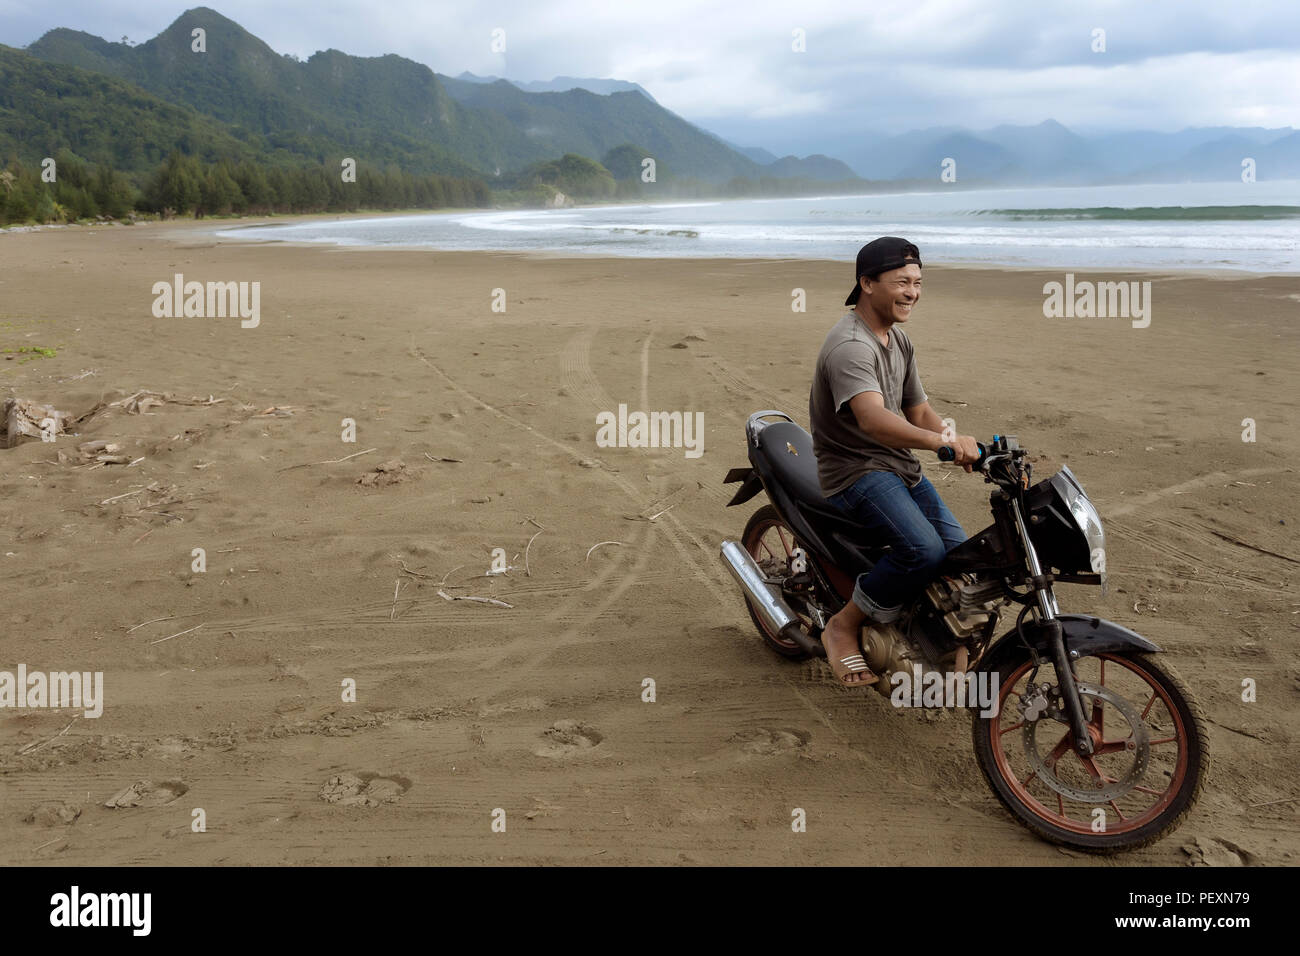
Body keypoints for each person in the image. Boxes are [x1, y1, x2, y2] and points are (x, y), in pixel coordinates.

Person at [807, 237, 980, 685]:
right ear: (867, 283)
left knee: (960, 554)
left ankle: (929, 634)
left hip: (896, 467)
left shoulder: (897, 339)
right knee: (922, 551)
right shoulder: (850, 345)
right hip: (854, 471)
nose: (913, 292)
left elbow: (918, 409)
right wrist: (939, 445)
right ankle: (842, 627)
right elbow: (874, 421)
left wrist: (955, 439)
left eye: (918, 282)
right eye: (902, 282)